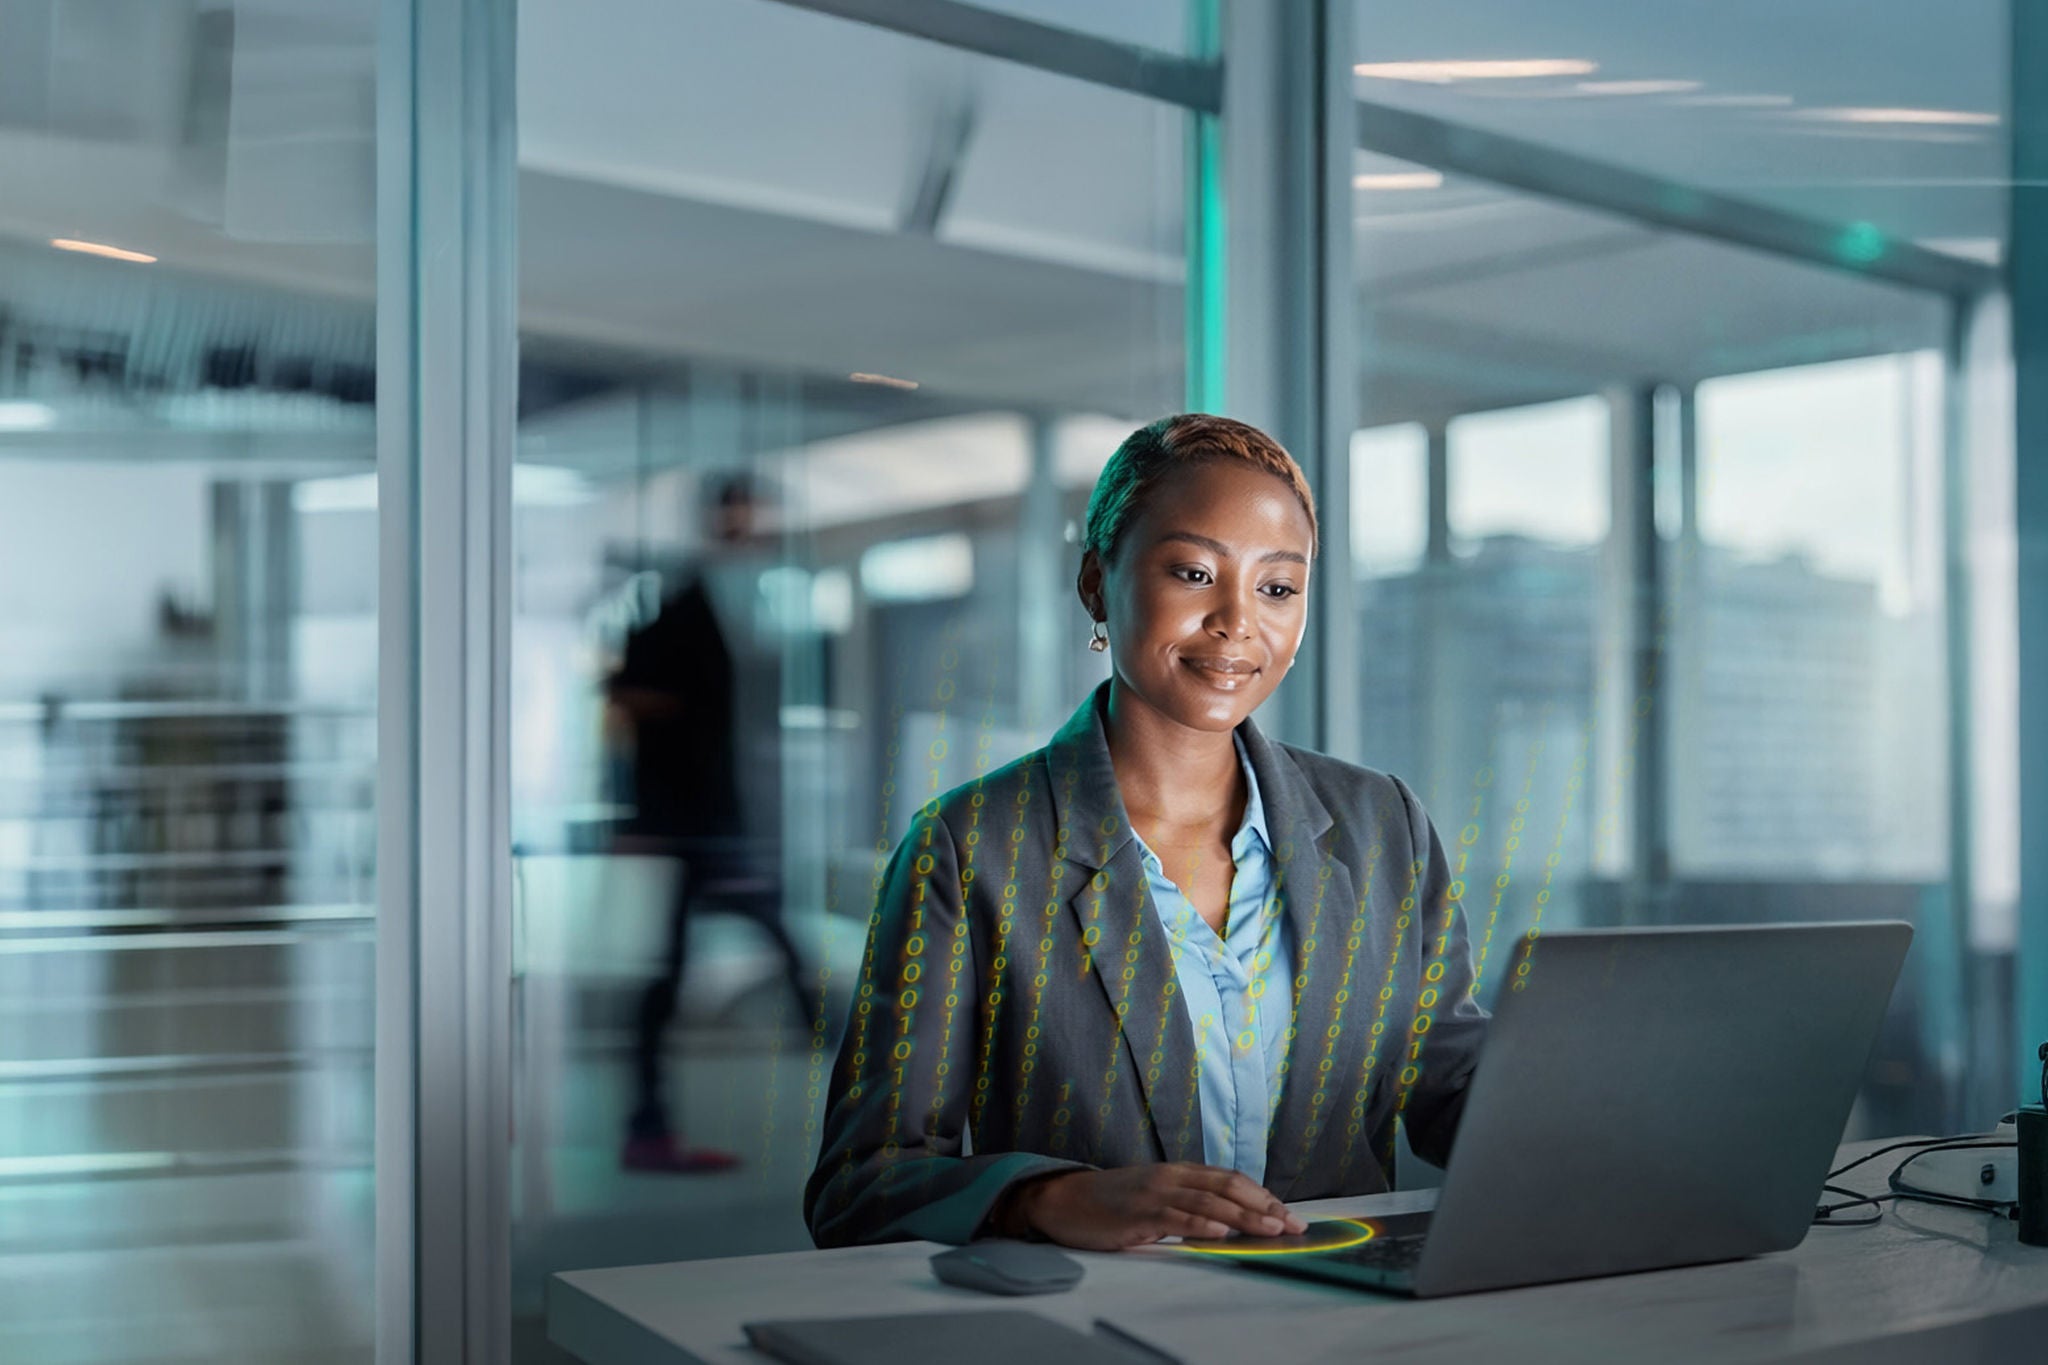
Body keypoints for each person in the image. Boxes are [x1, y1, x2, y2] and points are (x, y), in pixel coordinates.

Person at [805, 414, 1488, 1249]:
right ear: (1098, 581)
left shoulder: (1384, 825)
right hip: (1096, 1322)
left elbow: (1453, 1090)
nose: (1238, 621)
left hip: (1339, 1323)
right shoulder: (970, 846)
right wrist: (1049, 1198)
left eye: (1277, 587)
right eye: (1196, 573)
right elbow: (860, 1180)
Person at [609, 470, 820, 1174]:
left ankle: (649, 1124)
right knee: (678, 974)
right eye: (742, 518)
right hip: (692, 827)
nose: (753, 532)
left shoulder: (743, 606)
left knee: (756, 952)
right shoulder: (678, 613)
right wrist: (651, 816)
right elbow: (642, 711)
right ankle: (648, 1126)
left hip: (716, 822)